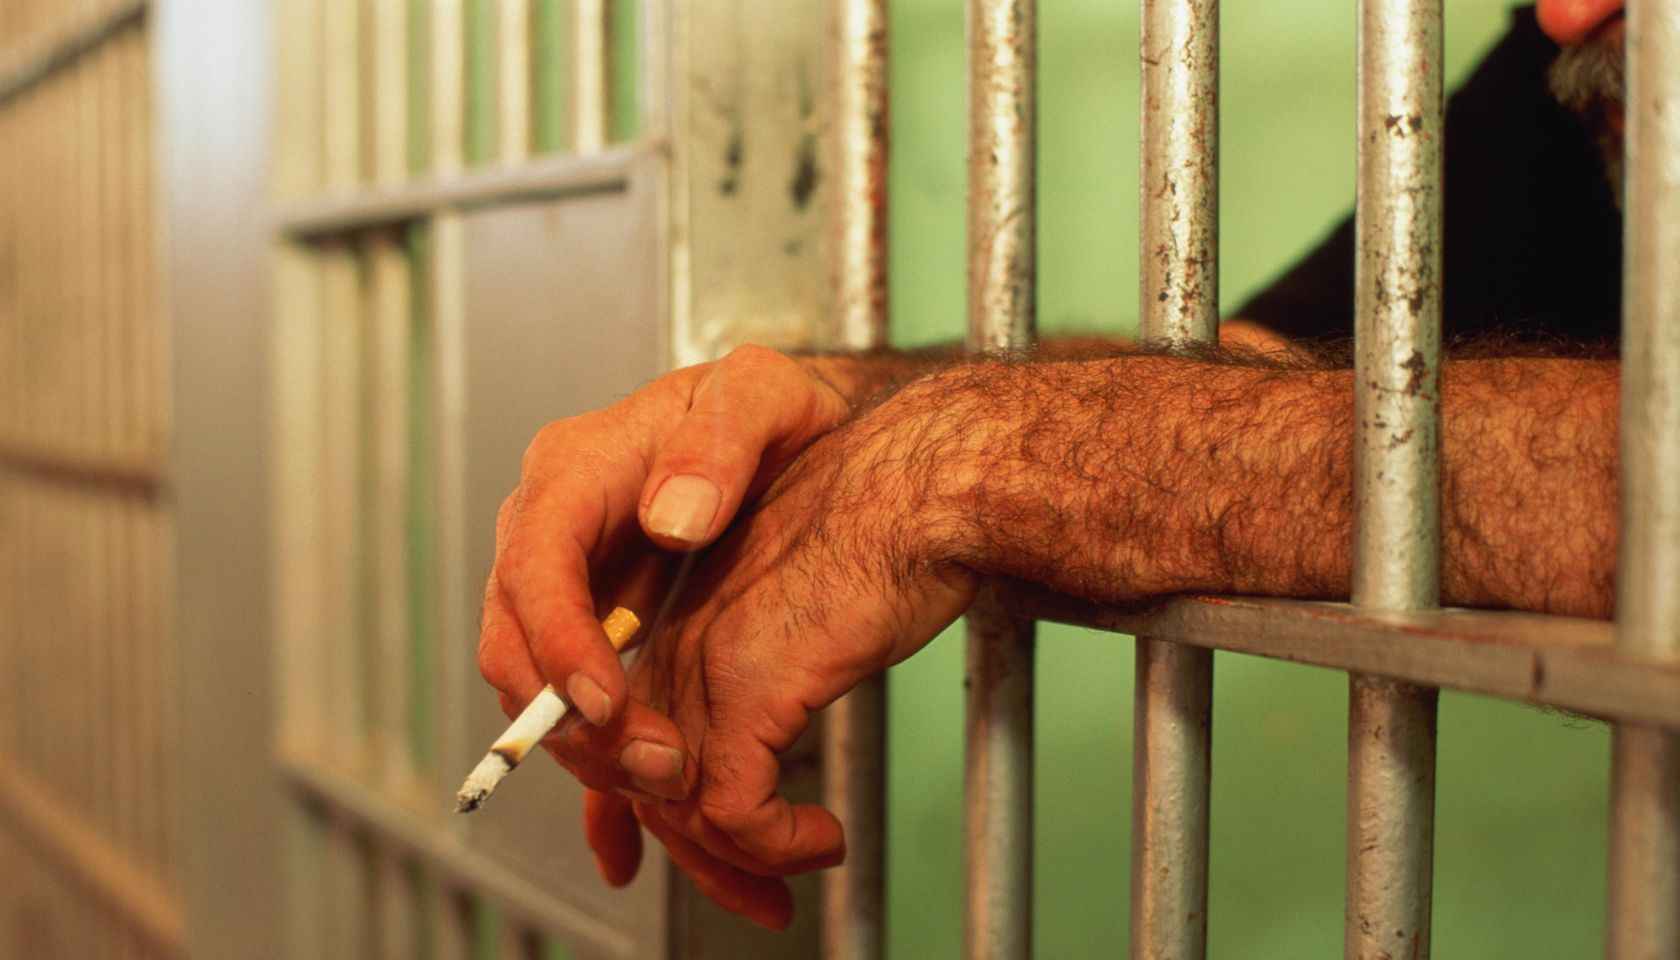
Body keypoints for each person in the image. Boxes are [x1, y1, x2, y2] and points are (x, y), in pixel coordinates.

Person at [477, 0, 1629, 930]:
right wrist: (831, 413)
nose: (1565, 15)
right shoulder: (1597, 53)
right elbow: (1289, 381)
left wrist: (975, 461)